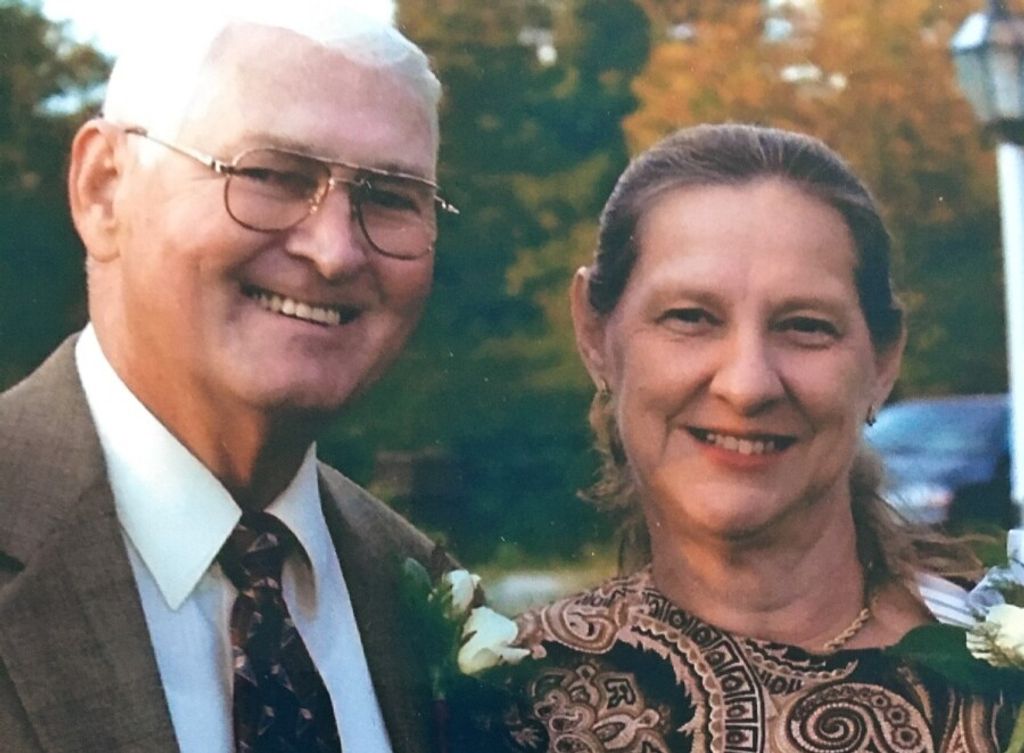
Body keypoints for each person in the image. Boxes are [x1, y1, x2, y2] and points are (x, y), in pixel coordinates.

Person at [0, 7, 458, 753]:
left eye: (389, 197)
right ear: (104, 189)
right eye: (271, 175)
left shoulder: (420, 594)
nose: (335, 252)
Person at [497, 124, 1020, 752]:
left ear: (883, 361)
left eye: (806, 326)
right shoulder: (504, 706)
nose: (747, 386)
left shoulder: (1002, 682)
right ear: (594, 334)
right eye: (690, 317)